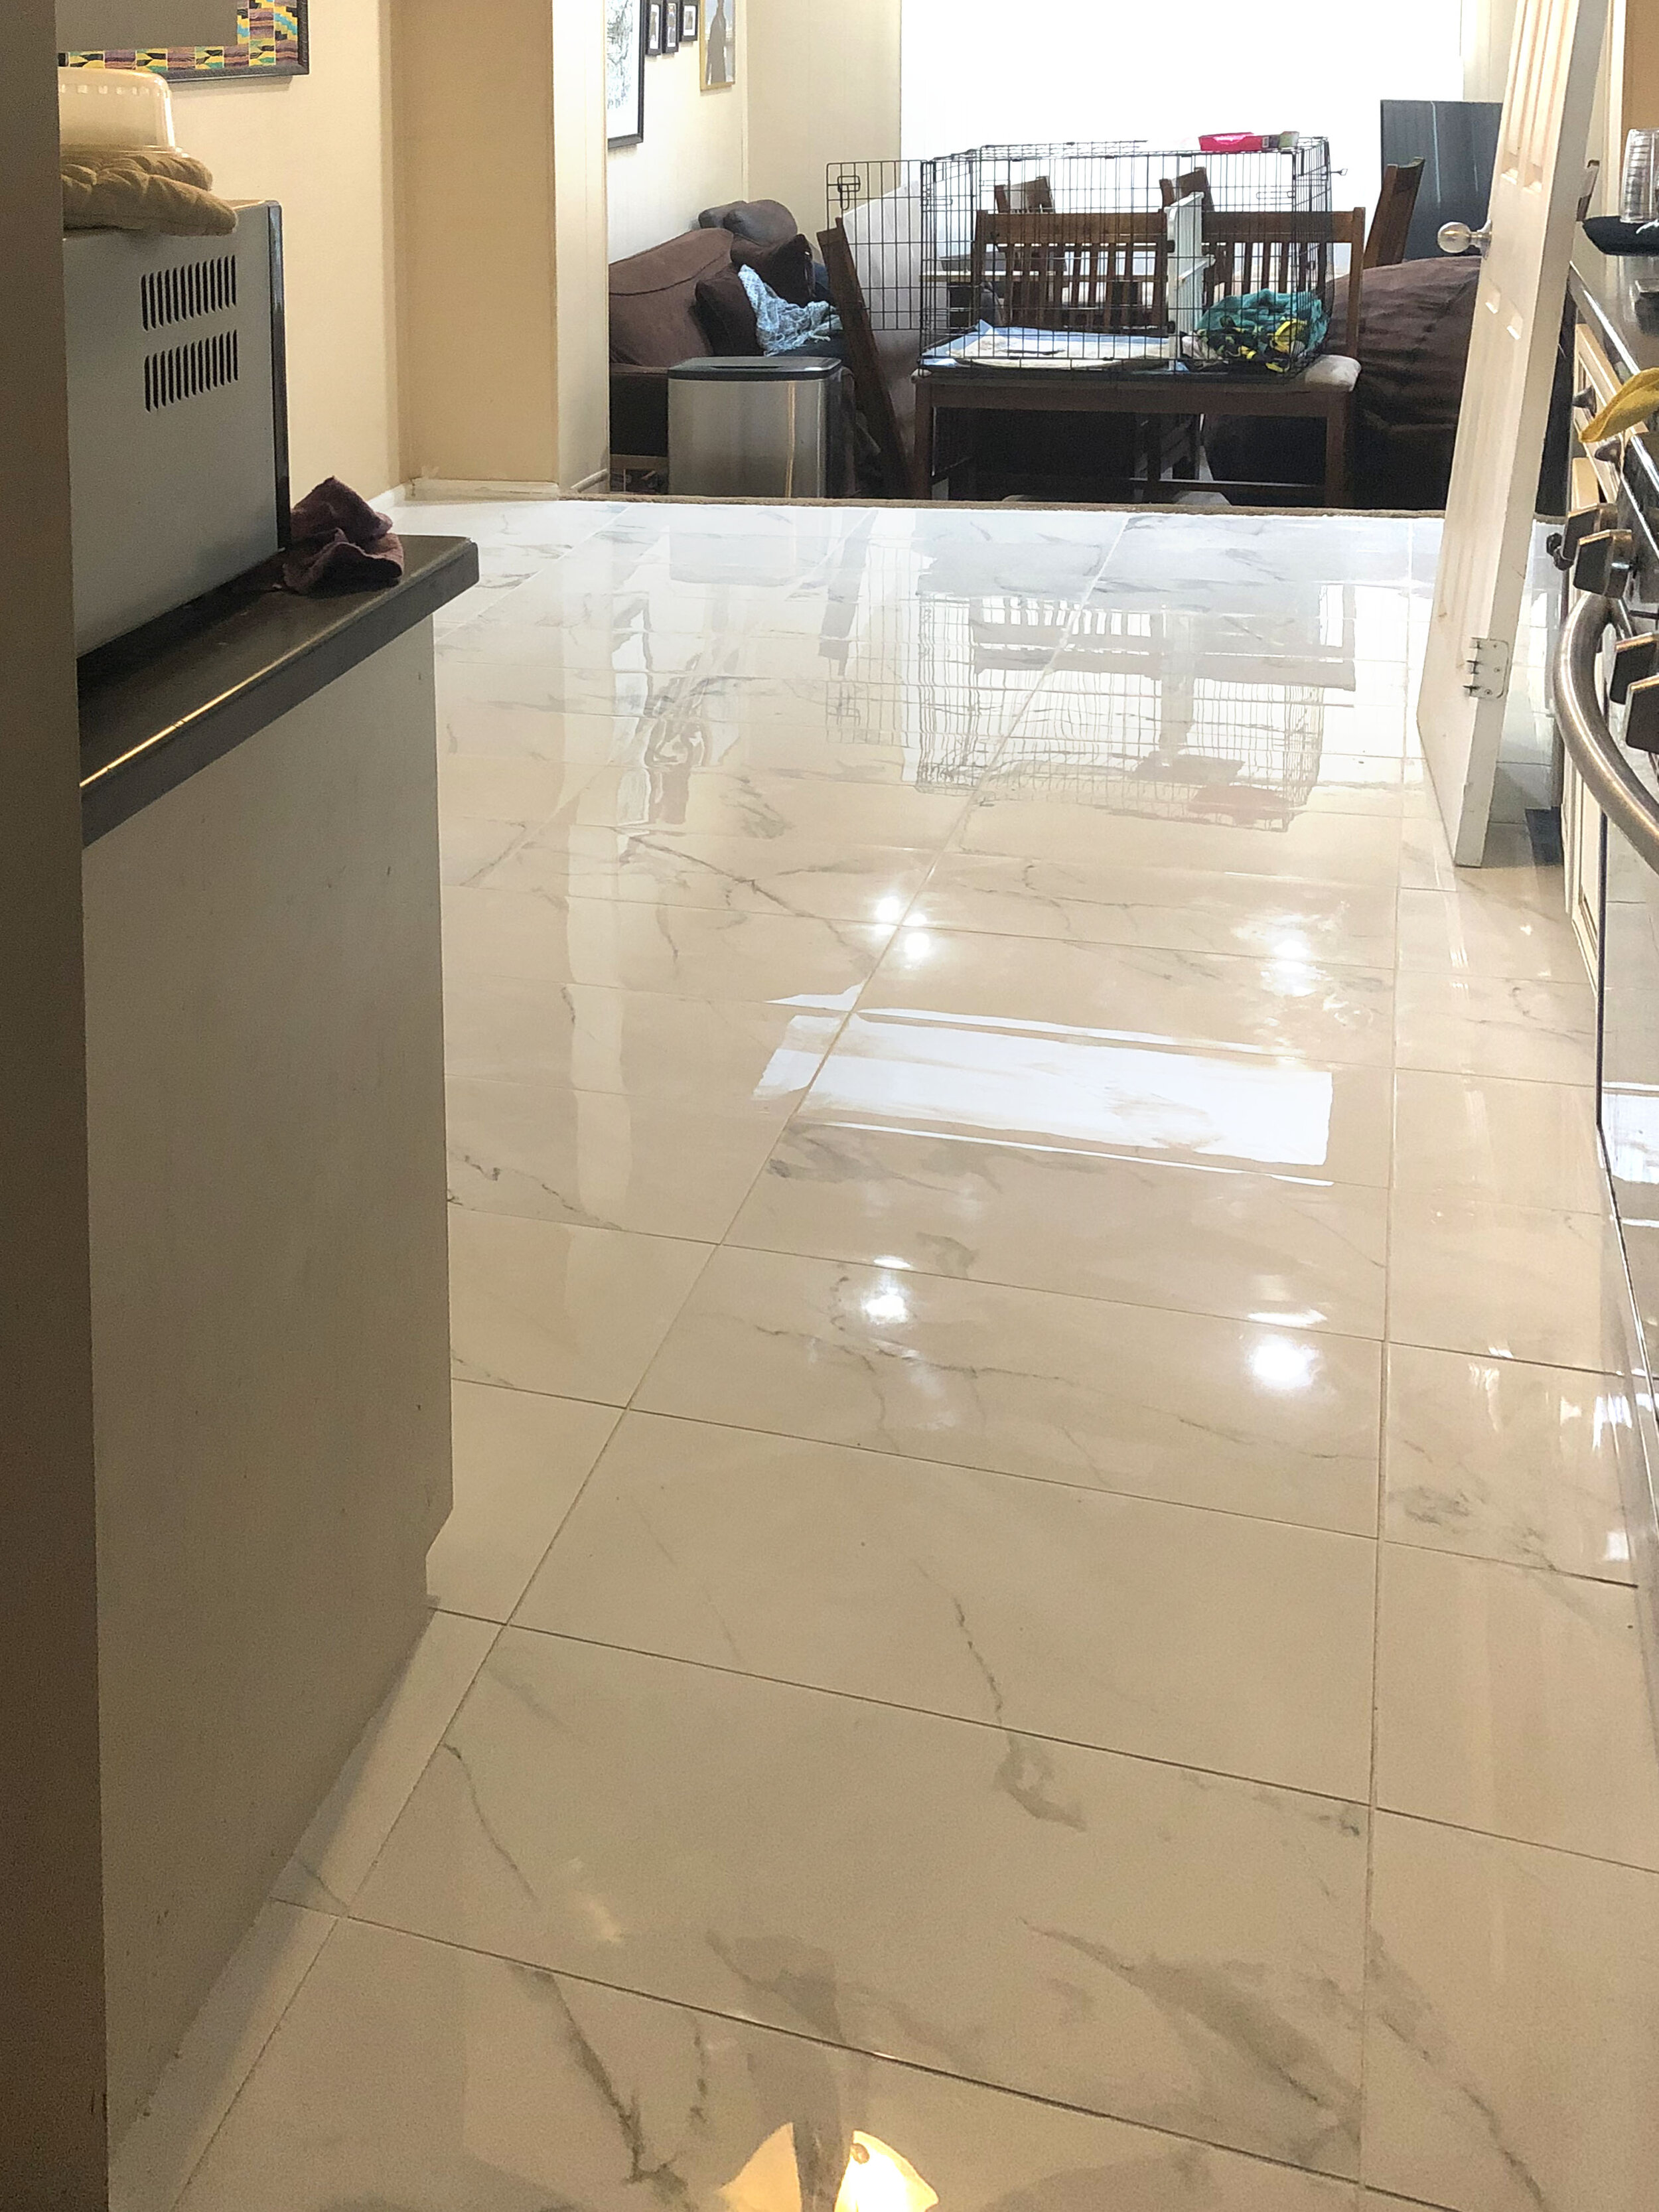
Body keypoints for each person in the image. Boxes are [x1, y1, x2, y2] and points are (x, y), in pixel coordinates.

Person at [704, 0, 732, 86]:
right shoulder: (716, 20)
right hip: (716, 54)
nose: (722, 4)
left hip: (720, 54)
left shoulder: (722, 19)